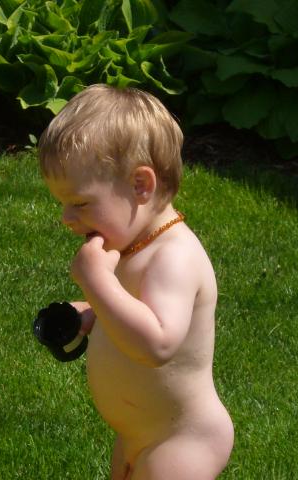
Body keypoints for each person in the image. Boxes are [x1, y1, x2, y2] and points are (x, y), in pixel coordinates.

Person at [38, 84, 234, 480]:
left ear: (140, 185)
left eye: (80, 203)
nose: (66, 218)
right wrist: (91, 312)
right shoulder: (131, 244)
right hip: (136, 433)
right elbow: (134, 309)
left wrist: (96, 281)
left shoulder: (174, 257)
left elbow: (157, 343)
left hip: (180, 439)